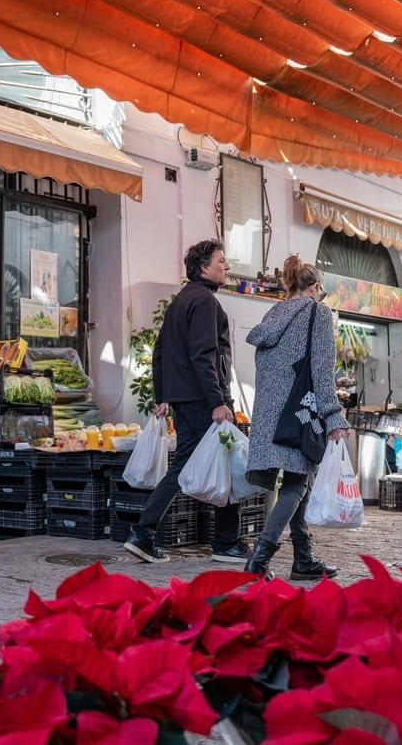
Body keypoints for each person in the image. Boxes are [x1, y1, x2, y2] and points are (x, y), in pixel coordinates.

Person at [123, 239, 245, 564]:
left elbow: (160, 352)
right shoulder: (205, 302)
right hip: (203, 399)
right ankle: (225, 542)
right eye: (222, 261)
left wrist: (162, 396)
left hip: (182, 399)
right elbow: (204, 355)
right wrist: (219, 401)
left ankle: (143, 534)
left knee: (182, 465)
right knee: (229, 460)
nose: (227, 266)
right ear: (204, 267)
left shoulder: (179, 301)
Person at [242, 255, 351, 580]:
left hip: (269, 414)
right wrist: (333, 416)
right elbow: (320, 370)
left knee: (295, 480)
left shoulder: (271, 315)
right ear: (315, 287)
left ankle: (303, 557)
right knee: (296, 484)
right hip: (297, 411)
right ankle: (259, 560)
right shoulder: (318, 313)